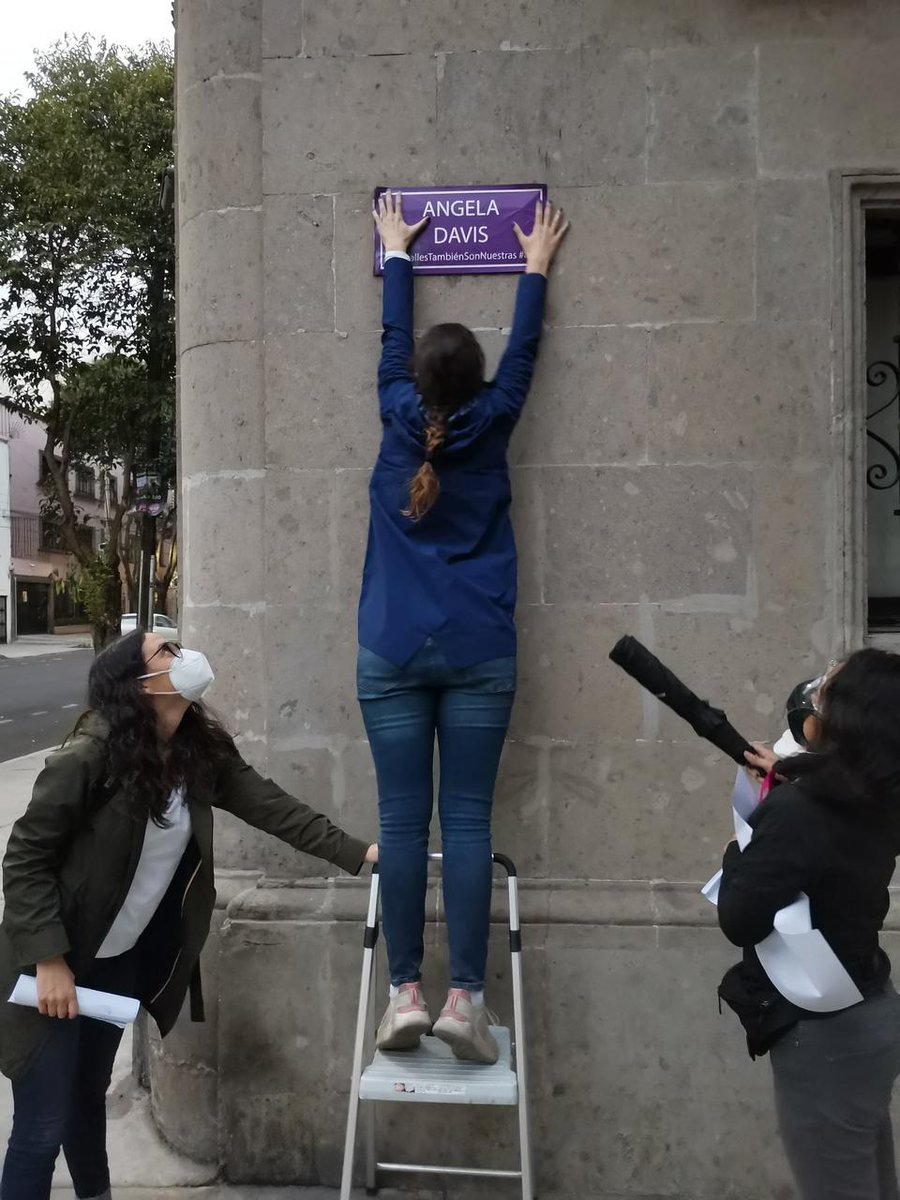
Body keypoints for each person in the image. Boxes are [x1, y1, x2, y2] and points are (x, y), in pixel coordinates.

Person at [0, 630, 377, 1200]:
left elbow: (273, 807)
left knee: (85, 1106)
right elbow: (25, 857)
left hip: (113, 965)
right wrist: (49, 959)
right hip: (53, 965)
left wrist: (360, 854)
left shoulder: (199, 755)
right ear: (138, 685)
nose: (183, 655)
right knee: (41, 1126)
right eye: (166, 652)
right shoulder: (90, 757)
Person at [357, 191, 568, 1064]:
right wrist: (535, 264)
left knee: (403, 825)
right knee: (469, 823)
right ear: (477, 381)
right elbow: (526, 355)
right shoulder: (496, 417)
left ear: (418, 384)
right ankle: (464, 1003)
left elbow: (390, 346)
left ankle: (403, 993)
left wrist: (397, 251)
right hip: (480, 649)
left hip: (392, 647)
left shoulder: (397, 415)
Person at [717, 648, 900, 1200]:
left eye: (824, 693)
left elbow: (739, 918)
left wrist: (738, 849)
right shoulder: (881, 795)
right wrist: (787, 774)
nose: (812, 699)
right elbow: (838, 789)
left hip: (824, 1036)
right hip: (869, 1013)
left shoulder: (798, 814)